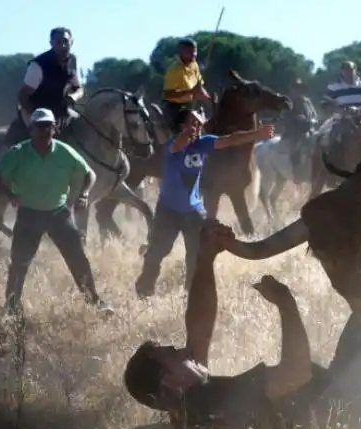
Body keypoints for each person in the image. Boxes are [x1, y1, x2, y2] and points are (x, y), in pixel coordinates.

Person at [126, 221, 361, 429]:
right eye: (175, 353)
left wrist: (206, 258)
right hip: (347, 416)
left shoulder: (188, 411)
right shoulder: (210, 400)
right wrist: (286, 303)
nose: (184, 351)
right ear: (170, 378)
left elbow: (199, 325)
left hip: (336, 409)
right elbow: (295, 373)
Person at [134, 108, 275, 299]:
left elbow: (231, 139)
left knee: (196, 255)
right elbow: (177, 145)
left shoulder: (203, 143)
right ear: (182, 126)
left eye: (200, 123)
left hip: (193, 212)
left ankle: (191, 294)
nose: (198, 126)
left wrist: (256, 134)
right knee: (157, 253)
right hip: (168, 211)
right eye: (193, 122)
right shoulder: (171, 146)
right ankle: (144, 291)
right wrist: (185, 135)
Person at [0, 108, 113, 317]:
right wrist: (8, 193)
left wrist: (84, 193)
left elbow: (89, 173)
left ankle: (94, 301)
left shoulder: (65, 151)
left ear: (54, 128)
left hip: (58, 214)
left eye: (48, 126)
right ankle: (11, 309)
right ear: (31, 129)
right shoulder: (18, 153)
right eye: (40, 126)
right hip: (29, 215)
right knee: (19, 263)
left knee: (78, 259)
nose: (44, 130)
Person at [6, 27, 84, 145]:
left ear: (71, 42)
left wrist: (74, 96)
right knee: (43, 137)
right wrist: (36, 116)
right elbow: (23, 95)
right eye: (58, 42)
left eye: (65, 41)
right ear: (51, 43)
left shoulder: (72, 61)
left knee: (85, 125)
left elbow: (79, 88)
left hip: (60, 110)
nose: (62, 45)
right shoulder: (39, 65)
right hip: (35, 108)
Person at [161, 38, 212, 131]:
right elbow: (168, 94)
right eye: (189, 52)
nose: (193, 55)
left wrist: (209, 100)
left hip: (189, 105)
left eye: (195, 52)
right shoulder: (174, 70)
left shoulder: (194, 65)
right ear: (181, 51)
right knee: (192, 125)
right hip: (174, 108)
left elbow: (199, 87)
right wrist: (190, 91)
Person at [281, 78, 319, 174]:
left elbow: (315, 115)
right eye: (295, 88)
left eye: (299, 88)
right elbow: (284, 118)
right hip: (293, 132)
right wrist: (296, 120)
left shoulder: (307, 101)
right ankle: (297, 170)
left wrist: (312, 121)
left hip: (310, 129)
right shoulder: (287, 102)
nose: (297, 91)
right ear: (291, 89)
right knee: (298, 144)